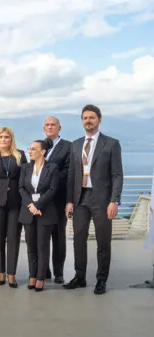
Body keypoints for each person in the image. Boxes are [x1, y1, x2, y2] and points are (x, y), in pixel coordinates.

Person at [64, 105, 123, 295]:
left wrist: (114, 200)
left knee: (103, 241)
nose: (88, 121)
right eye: (85, 118)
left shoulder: (111, 144)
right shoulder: (75, 144)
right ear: (81, 121)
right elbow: (72, 176)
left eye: (91, 118)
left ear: (99, 119)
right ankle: (79, 277)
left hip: (102, 200)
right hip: (80, 198)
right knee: (78, 239)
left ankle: (101, 280)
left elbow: (117, 175)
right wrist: (69, 201)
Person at [18, 138, 60, 292]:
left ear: (43, 151)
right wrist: (31, 205)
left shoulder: (52, 168)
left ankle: (41, 277)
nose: (30, 151)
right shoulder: (25, 168)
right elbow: (21, 188)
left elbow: (52, 190)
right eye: (29, 149)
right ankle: (32, 275)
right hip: (28, 211)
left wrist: (38, 205)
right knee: (31, 246)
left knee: (42, 246)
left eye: (33, 149)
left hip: (45, 211)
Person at [0, 127, 27, 288]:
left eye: (7, 137)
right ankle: (1, 272)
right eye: (1, 137)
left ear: (11, 139)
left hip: (15, 204)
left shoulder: (19, 155)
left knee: (13, 240)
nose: (4, 140)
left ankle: (11, 273)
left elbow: (25, 179)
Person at [43, 116, 71, 284]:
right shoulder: (40, 145)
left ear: (59, 128)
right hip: (42, 201)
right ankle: (44, 270)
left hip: (59, 199)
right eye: (47, 125)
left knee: (59, 237)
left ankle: (59, 272)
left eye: (53, 125)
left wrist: (47, 179)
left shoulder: (68, 146)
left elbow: (68, 171)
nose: (50, 127)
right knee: (42, 237)